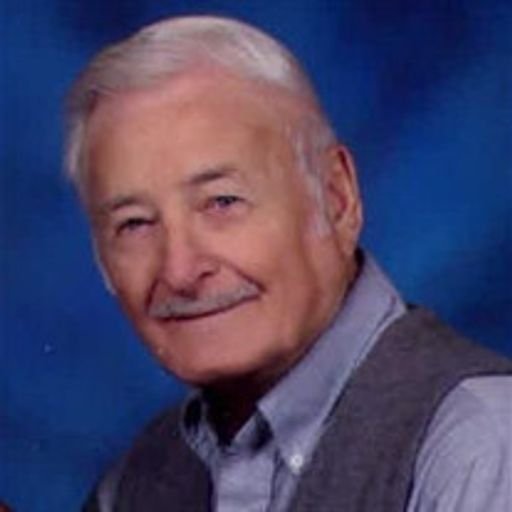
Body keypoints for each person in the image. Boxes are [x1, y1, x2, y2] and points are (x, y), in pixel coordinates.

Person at [65, 15, 512, 512]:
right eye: (134, 224)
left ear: (336, 199)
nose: (180, 271)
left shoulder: (479, 445)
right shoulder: (133, 484)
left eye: (223, 202)